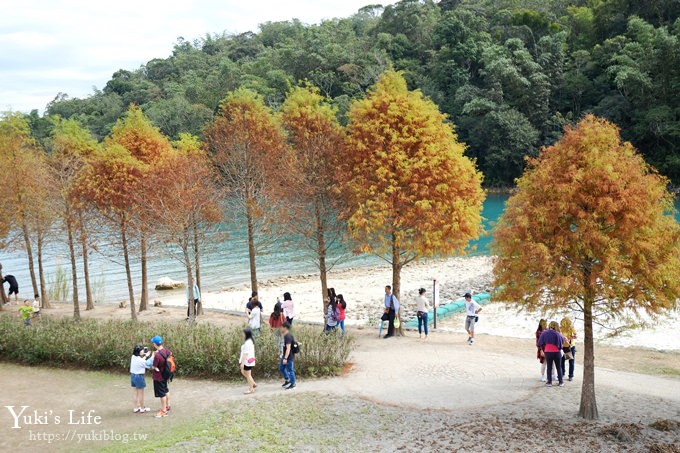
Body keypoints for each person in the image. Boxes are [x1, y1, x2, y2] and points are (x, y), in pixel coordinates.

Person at [150, 335, 172, 418]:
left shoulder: (157, 356)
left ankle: (163, 411)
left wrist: (153, 356)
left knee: (161, 393)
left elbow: (153, 367)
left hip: (159, 377)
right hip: (166, 374)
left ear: (155, 344)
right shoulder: (166, 351)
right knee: (166, 389)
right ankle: (167, 405)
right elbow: (170, 354)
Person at [538, 321, 564, 387]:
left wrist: (542, 348)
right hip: (557, 352)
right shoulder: (558, 334)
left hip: (548, 351)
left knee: (549, 367)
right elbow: (562, 342)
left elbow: (540, 342)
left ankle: (549, 382)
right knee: (558, 367)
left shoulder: (544, 333)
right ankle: (561, 382)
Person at [130, 345, 152, 413]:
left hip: (133, 375)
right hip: (139, 377)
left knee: (135, 392)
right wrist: (150, 357)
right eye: (142, 350)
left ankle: (136, 407)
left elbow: (141, 360)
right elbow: (148, 365)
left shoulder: (133, 357)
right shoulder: (140, 360)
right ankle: (142, 408)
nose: (143, 351)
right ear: (139, 352)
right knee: (141, 393)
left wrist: (145, 356)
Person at [279, 322, 296, 390]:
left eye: (281, 327)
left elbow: (288, 348)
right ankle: (287, 380)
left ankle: (293, 383)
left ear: (285, 328)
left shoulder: (288, 337)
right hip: (285, 355)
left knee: (290, 370)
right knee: (281, 368)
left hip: (289, 357)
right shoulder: (285, 336)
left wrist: (285, 358)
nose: (280, 328)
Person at [239, 328, 257, 394]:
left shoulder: (247, 342)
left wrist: (242, 363)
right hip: (249, 361)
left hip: (247, 361)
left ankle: (251, 389)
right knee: (244, 372)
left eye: (243, 333)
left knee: (248, 375)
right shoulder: (250, 341)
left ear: (246, 334)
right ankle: (253, 383)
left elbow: (246, 354)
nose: (242, 334)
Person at [560, 317, 577, 382]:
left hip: (569, 347)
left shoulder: (571, 328)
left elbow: (575, 336)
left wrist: (569, 337)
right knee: (562, 361)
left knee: (570, 361)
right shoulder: (560, 328)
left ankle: (570, 375)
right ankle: (562, 373)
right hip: (563, 347)